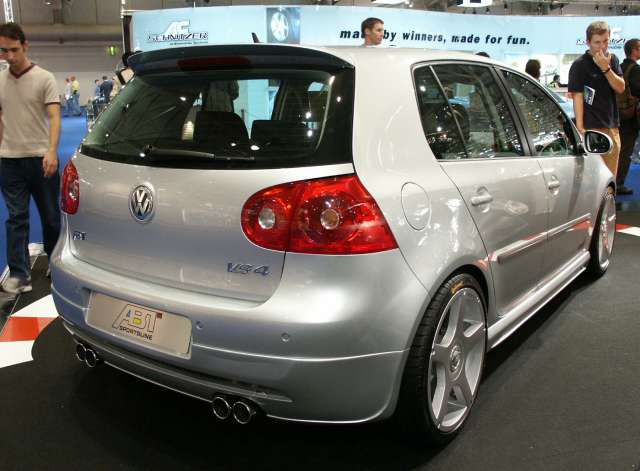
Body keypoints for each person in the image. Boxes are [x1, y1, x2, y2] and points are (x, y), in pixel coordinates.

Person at [0, 22, 61, 294]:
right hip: (9, 161)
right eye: (4, 51)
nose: (9, 56)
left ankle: (56, 265)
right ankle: (20, 274)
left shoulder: (45, 78)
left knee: (50, 217)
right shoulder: (0, 81)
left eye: (14, 49)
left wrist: (52, 151)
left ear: (25, 46)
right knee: (16, 218)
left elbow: (55, 117)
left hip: (40, 159)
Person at [568, 21, 625, 177]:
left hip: (612, 127)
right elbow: (578, 96)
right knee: (591, 178)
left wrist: (605, 68)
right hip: (590, 129)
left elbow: (620, 87)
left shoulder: (612, 60)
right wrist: (581, 128)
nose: (602, 46)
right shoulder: (579, 65)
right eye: (597, 42)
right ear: (588, 42)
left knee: (610, 177)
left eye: (606, 41)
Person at [616, 38, 640, 195]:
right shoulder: (636, 69)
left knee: (619, 149)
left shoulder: (619, 66)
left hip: (618, 113)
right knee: (626, 151)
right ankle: (619, 183)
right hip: (630, 116)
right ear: (633, 50)